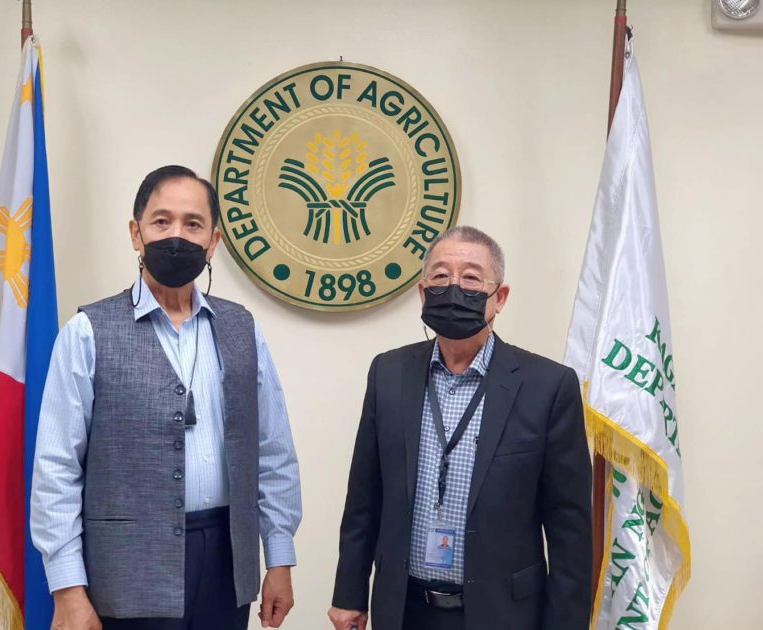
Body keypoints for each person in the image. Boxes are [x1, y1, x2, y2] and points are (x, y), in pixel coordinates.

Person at [31, 165, 302, 630]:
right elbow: (57, 467)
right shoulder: (87, 332)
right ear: (136, 233)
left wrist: (279, 557)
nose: (177, 235)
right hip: (125, 573)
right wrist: (68, 588)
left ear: (212, 242)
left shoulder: (242, 329)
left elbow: (273, 451)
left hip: (225, 563)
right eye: (162, 221)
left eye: (193, 224)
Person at [328, 226, 592, 630]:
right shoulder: (388, 373)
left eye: (471, 278)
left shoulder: (548, 385)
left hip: (503, 614)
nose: (453, 287)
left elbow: (569, 527)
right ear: (423, 292)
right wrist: (349, 594)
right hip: (404, 609)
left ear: (499, 297)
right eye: (440, 276)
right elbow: (364, 497)